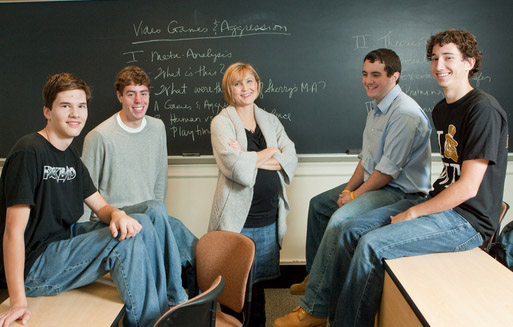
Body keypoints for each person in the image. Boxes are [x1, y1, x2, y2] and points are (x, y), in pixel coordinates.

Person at [322, 29, 507, 327]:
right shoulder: (441, 110)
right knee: (349, 229)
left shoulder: (482, 109)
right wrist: (421, 208)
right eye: (434, 58)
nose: (439, 65)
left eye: (449, 57)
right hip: (440, 204)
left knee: (371, 244)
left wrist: (413, 212)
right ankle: (334, 317)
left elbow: (468, 187)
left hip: (468, 221)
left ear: (469, 62)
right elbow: (449, 174)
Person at [0, 73, 190, 327]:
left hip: (64, 241)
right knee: (126, 241)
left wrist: (118, 214)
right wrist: (17, 301)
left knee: (148, 213)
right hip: (36, 265)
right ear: (47, 111)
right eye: (65, 106)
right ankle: (150, 323)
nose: (75, 114)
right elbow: (12, 233)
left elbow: (101, 207)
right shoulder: (28, 152)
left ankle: (173, 303)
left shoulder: (70, 156)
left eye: (81, 106)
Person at [274, 49, 432, 327]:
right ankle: (317, 277)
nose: (368, 81)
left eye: (376, 75)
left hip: (400, 193)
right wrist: (346, 191)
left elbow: (385, 172)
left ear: (394, 76)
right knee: (320, 205)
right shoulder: (377, 107)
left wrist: (355, 197)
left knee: (340, 220)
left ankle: (315, 309)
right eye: (364, 74)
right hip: (379, 183)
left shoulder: (404, 113)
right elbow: (367, 161)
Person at [81, 66, 198, 293]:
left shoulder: (157, 128)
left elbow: (159, 180)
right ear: (120, 96)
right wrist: (85, 240)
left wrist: (159, 220)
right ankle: (175, 298)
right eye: (131, 93)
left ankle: (196, 309)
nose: (138, 100)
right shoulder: (100, 136)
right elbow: (85, 191)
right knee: (160, 220)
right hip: (117, 220)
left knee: (193, 249)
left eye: (143, 93)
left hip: (152, 215)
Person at [209, 62, 298, 327]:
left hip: (269, 216)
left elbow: (290, 156)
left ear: (257, 85)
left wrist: (251, 157)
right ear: (229, 89)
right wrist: (271, 152)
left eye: (249, 81)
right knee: (233, 286)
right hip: (238, 221)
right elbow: (233, 166)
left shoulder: (270, 120)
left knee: (258, 287)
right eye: (237, 83)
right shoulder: (221, 122)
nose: (245, 88)